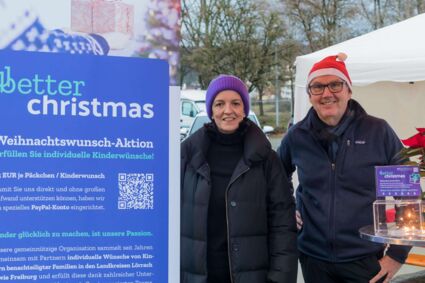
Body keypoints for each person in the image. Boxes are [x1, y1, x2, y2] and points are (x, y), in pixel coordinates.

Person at [277, 53, 411, 283]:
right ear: (309, 95)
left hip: (367, 259)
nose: (327, 93)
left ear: (349, 90)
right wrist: (286, 208)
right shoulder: (297, 136)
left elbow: (408, 194)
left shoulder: (378, 132)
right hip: (313, 258)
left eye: (335, 85)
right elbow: (275, 177)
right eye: (317, 87)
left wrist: (397, 255)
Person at [181, 74, 298, 283]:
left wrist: (280, 277)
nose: (228, 110)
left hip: (253, 276)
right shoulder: (188, 155)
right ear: (211, 110)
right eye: (219, 104)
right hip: (197, 276)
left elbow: (283, 223)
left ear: (244, 108)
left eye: (236, 103)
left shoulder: (266, 158)